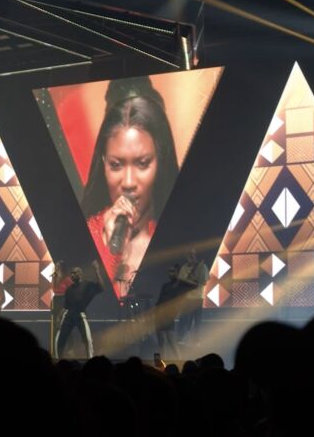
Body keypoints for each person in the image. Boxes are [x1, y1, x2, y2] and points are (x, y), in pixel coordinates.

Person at [81, 77, 178, 298]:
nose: (128, 182)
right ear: (103, 163)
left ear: (160, 162)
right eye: (116, 165)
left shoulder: (179, 235)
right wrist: (108, 252)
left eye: (142, 164)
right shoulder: (84, 234)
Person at [54, 261, 105, 359]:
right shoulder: (69, 289)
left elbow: (101, 287)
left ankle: (90, 359)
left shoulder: (87, 284)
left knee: (88, 340)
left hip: (80, 315)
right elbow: (65, 307)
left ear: (80, 274)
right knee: (59, 340)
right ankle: (58, 360)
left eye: (74, 272)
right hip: (68, 315)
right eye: (71, 273)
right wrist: (59, 317)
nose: (72, 275)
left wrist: (97, 270)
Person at [177, 249, 208, 346]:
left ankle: (196, 340)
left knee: (197, 320)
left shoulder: (202, 267)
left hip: (198, 298)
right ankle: (181, 338)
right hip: (187, 298)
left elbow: (203, 282)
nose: (190, 257)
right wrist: (192, 282)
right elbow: (181, 281)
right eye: (189, 255)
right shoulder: (184, 268)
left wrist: (191, 281)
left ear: (195, 256)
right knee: (184, 319)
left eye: (192, 255)